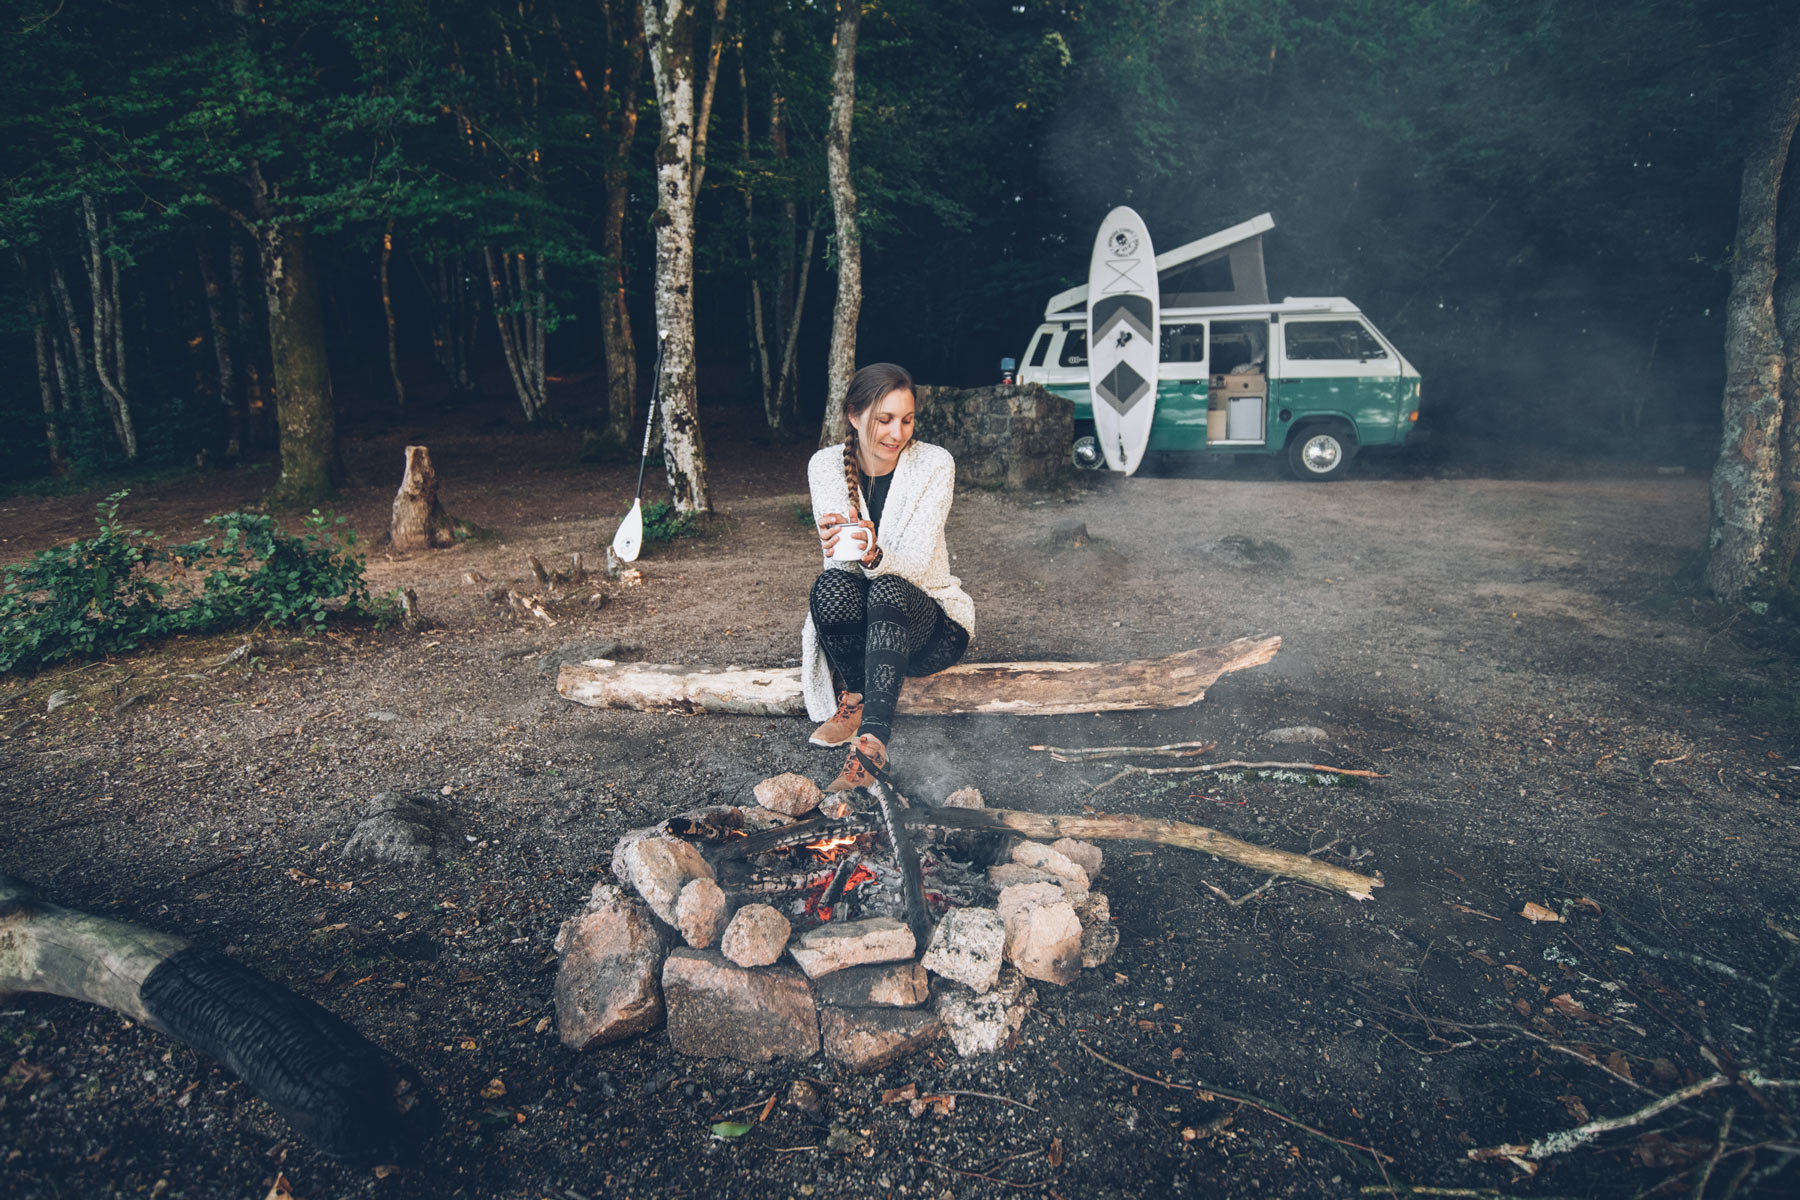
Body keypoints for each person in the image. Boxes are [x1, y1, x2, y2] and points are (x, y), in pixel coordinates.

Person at [801, 363, 973, 792]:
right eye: (885, 420)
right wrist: (841, 544)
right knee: (828, 586)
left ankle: (871, 749)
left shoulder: (934, 464)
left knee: (890, 586)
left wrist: (874, 552)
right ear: (855, 416)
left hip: (929, 629)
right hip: (872, 633)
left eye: (907, 419)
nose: (898, 433)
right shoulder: (825, 466)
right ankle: (857, 696)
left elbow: (913, 564)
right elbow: (842, 575)